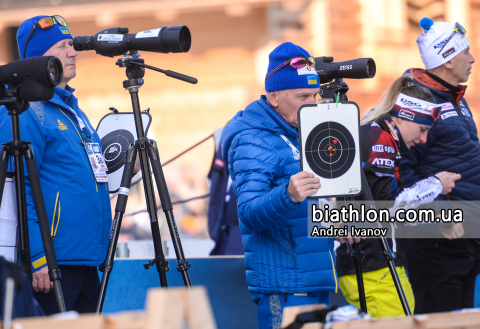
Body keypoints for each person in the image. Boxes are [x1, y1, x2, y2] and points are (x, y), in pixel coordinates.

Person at [221, 42, 338, 329]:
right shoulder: (252, 139)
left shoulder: (304, 132)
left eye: (315, 95)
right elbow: (248, 213)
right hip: (284, 284)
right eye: (302, 96)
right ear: (273, 97)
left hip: (316, 276)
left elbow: (314, 206)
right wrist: (288, 195)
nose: (313, 104)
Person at [0, 15, 111, 314]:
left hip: (86, 261)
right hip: (52, 266)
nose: (73, 52)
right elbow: (16, 190)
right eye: (63, 46)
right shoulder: (25, 112)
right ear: (39, 58)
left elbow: (79, 175)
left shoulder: (73, 110)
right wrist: (38, 258)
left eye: (72, 45)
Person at [335, 74, 460, 318]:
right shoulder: (379, 139)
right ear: (405, 116)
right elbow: (388, 208)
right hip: (374, 266)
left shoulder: (376, 134)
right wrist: (434, 185)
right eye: (423, 129)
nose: (423, 139)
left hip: (369, 263)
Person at [401, 17, 480, 314]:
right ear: (447, 60)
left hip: (466, 238)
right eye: (465, 52)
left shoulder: (455, 97)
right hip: (438, 243)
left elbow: (460, 156)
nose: (472, 59)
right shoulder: (418, 100)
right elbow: (402, 170)